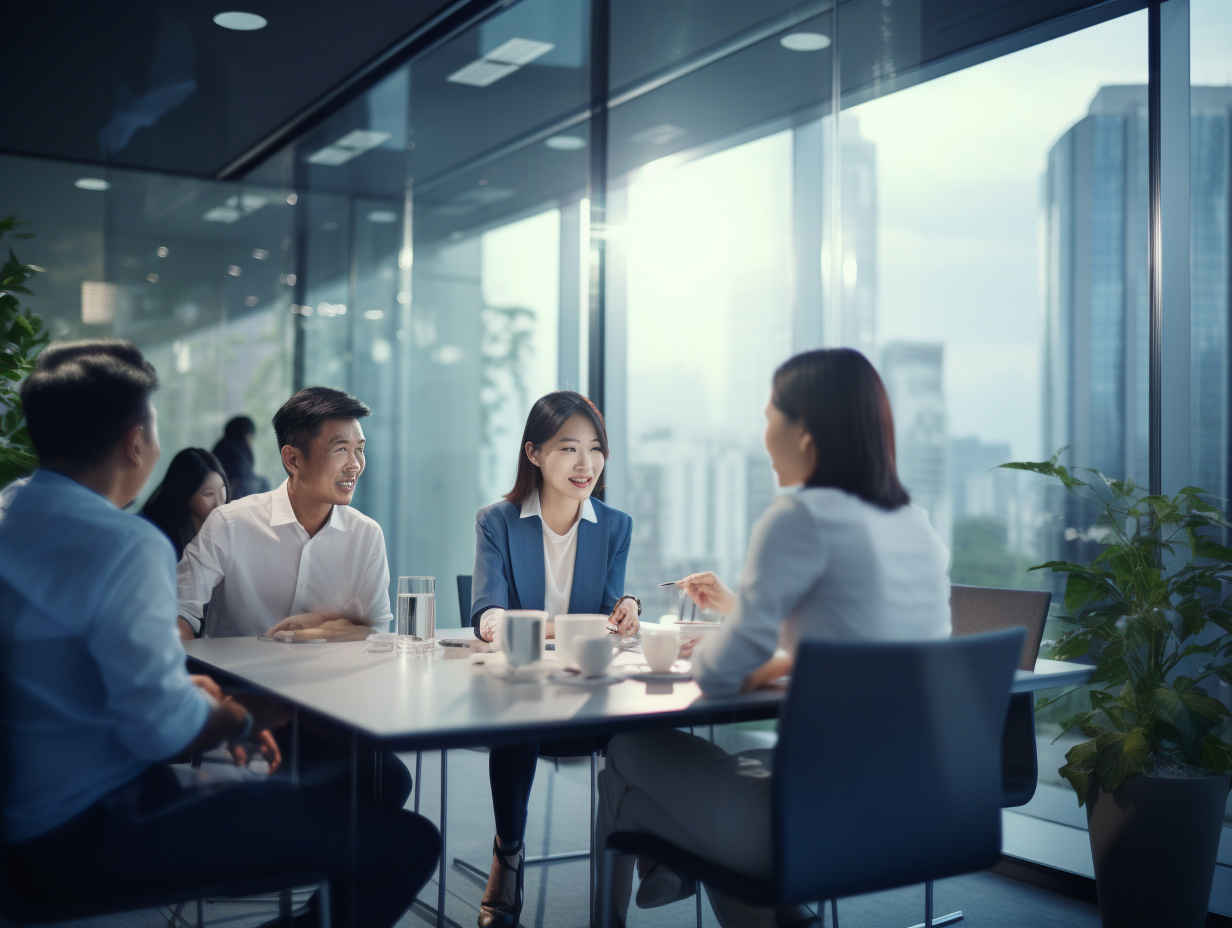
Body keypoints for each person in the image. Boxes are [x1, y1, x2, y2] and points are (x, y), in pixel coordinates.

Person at [0, 339, 440, 927]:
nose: (355, 462)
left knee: (377, 782)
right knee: (407, 844)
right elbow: (160, 728)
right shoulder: (125, 545)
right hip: (95, 820)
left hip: (25, 815)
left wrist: (198, 699)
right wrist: (243, 714)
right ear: (136, 441)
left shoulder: (11, 511)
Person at [595, 348, 952, 928]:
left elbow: (716, 675)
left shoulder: (798, 518)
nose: (763, 439)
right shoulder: (918, 524)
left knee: (626, 756)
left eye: (769, 420)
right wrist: (743, 617)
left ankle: (678, 875)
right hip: (913, 805)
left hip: (809, 817)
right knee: (675, 789)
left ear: (805, 433)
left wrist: (728, 648)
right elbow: (863, 650)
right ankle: (780, 917)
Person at [177, 386, 414, 808]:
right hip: (247, 706)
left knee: (389, 782)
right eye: (340, 449)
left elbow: (378, 632)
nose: (355, 465)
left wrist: (324, 625)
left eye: (360, 449)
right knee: (270, 795)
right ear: (293, 458)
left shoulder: (365, 535)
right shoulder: (230, 524)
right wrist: (202, 697)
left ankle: (332, 869)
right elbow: (180, 614)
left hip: (329, 708)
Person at [469, 390, 641, 928]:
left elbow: (609, 601)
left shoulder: (615, 526)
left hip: (588, 684)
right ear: (534, 454)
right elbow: (486, 610)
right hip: (525, 684)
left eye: (595, 449)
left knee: (647, 728)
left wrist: (628, 606)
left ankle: (642, 852)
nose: (585, 463)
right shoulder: (497, 522)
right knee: (522, 716)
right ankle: (508, 851)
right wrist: (511, 627)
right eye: (568, 448)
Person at [140, 447, 231, 559]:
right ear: (184, 493)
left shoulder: (224, 534)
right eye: (208, 494)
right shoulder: (158, 540)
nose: (218, 503)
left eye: (222, 490)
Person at [212, 414, 270, 500]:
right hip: (231, 497)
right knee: (264, 483)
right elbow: (242, 480)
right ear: (248, 436)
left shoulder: (219, 447)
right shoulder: (237, 452)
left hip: (218, 493)